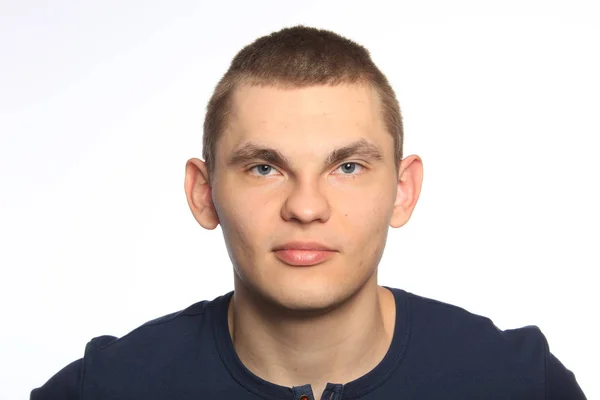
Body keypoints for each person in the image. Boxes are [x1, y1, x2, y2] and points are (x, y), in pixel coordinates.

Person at [30, 25, 586, 400]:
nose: (305, 206)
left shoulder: (515, 381)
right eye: (264, 168)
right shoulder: (109, 388)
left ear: (402, 189)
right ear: (204, 194)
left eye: (347, 167)